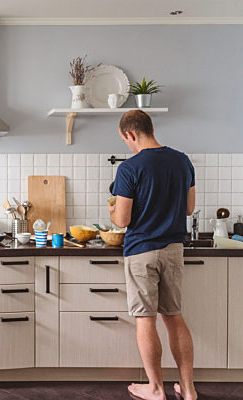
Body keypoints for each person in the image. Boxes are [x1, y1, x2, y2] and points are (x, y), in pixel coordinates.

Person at [109, 110, 197, 400]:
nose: (128, 146)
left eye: (126, 141)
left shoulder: (129, 168)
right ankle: (188, 389)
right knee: (174, 317)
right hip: (173, 249)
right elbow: (188, 209)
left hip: (141, 252)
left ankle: (156, 389)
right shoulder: (182, 161)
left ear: (130, 134)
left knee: (145, 319)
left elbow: (121, 221)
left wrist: (112, 211)